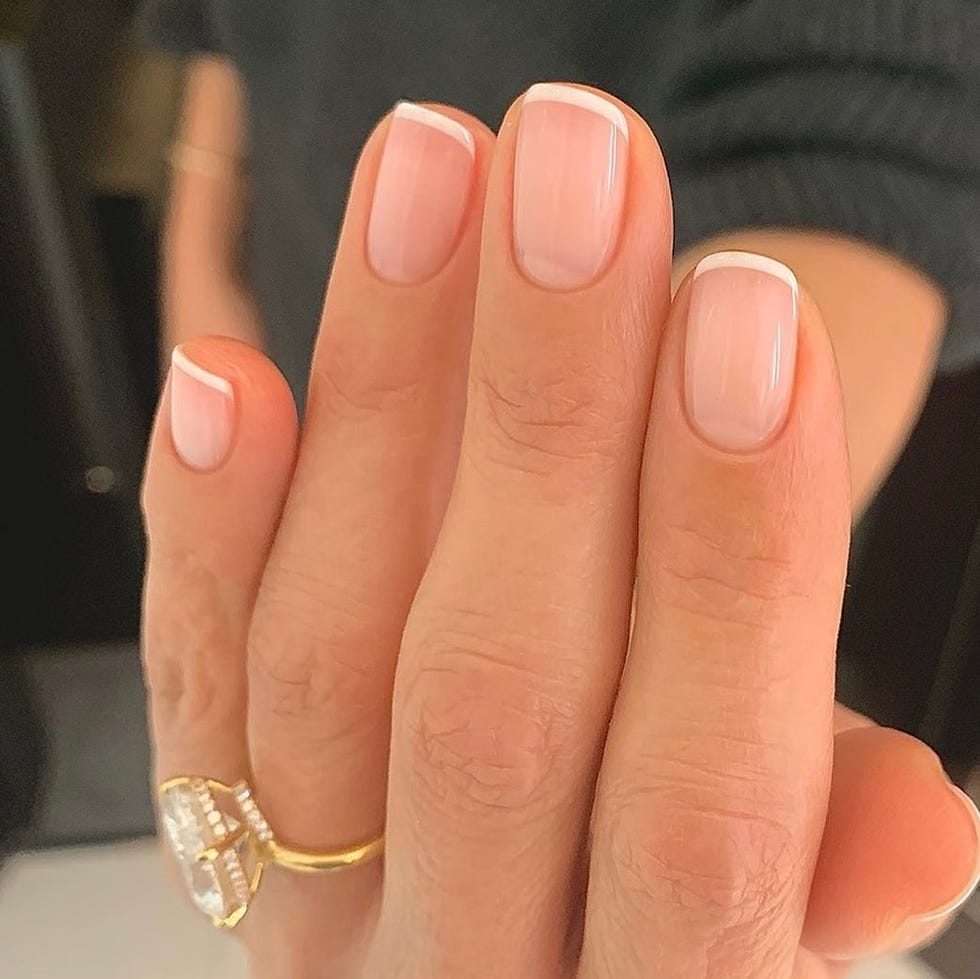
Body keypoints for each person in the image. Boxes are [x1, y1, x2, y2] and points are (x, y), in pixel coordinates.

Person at [137, 3, 980, 977]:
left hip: (562, 503)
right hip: (320, 370)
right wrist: (202, 232)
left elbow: (866, 135)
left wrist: (669, 520)